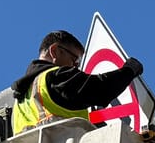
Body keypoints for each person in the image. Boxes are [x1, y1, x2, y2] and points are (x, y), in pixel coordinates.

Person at [10, 29, 143, 136]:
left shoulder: (21, 99)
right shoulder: (56, 77)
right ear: (55, 51)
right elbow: (101, 88)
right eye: (74, 60)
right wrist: (129, 70)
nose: (76, 67)